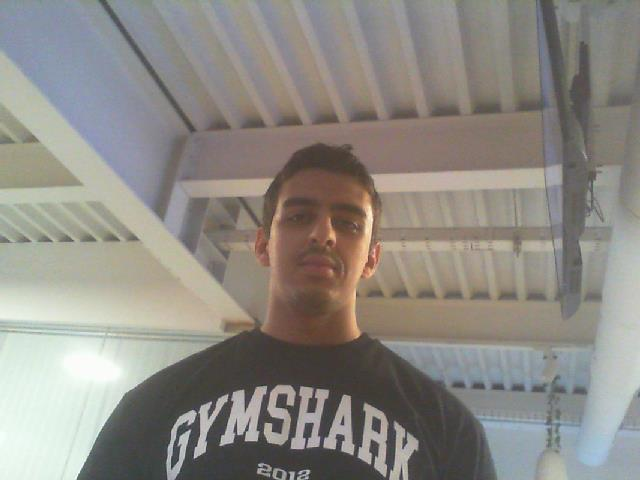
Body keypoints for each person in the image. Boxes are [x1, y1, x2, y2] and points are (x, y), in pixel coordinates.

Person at [78, 143, 496, 479]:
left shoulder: (446, 427)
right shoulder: (154, 406)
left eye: (349, 224)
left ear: (372, 258)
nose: (323, 233)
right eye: (299, 216)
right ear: (263, 245)